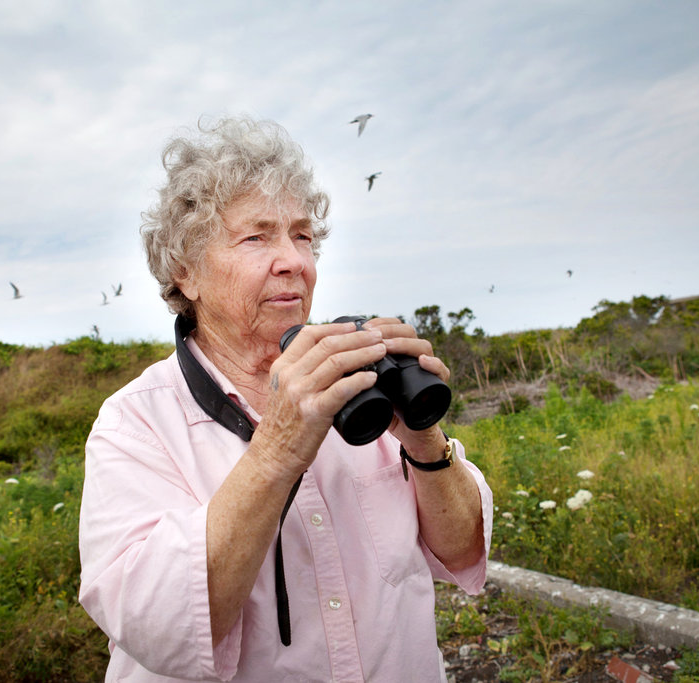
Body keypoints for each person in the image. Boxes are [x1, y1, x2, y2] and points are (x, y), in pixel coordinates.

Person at [78, 117, 493, 682]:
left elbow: (464, 552)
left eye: (301, 236)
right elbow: (162, 629)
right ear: (186, 272)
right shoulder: (135, 423)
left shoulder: (361, 377)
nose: (294, 260)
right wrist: (278, 448)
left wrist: (422, 436)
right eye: (256, 237)